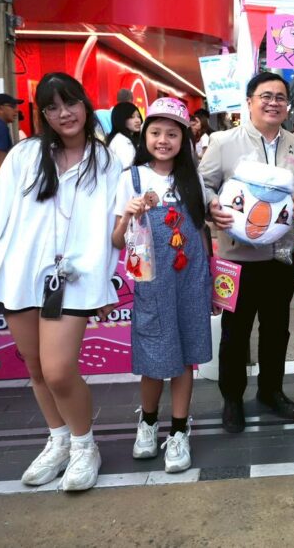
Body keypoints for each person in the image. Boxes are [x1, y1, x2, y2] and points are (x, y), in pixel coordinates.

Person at [0, 73, 121, 492]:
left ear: (85, 104)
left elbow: (112, 225)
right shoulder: (26, 155)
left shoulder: (106, 161)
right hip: (18, 273)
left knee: (58, 371)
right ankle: (58, 440)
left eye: (70, 103)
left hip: (75, 279)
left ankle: (85, 446)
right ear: (43, 114)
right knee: (36, 368)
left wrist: (106, 281)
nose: (64, 113)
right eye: (52, 107)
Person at [199, 71, 294, 433]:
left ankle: (271, 391)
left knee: (277, 329)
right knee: (235, 333)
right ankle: (232, 398)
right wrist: (212, 205)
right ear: (249, 101)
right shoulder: (224, 142)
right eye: (266, 96)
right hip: (236, 258)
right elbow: (202, 184)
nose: (273, 103)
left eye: (280, 97)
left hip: (280, 256)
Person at [111, 97, 211, 473]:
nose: (163, 140)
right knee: (153, 359)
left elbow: (202, 233)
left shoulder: (193, 179)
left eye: (172, 134)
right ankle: (149, 423)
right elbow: (116, 241)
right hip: (152, 285)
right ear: (145, 136)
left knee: (185, 358)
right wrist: (128, 216)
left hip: (191, 282)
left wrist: (211, 280)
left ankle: (180, 430)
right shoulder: (131, 179)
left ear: (183, 140)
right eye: (156, 132)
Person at [106, 101, 142, 170]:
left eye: (138, 116)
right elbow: (127, 168)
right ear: (121, 119)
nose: (138, 120)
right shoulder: (121, 141)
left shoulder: (123, 138)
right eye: (132, 117)